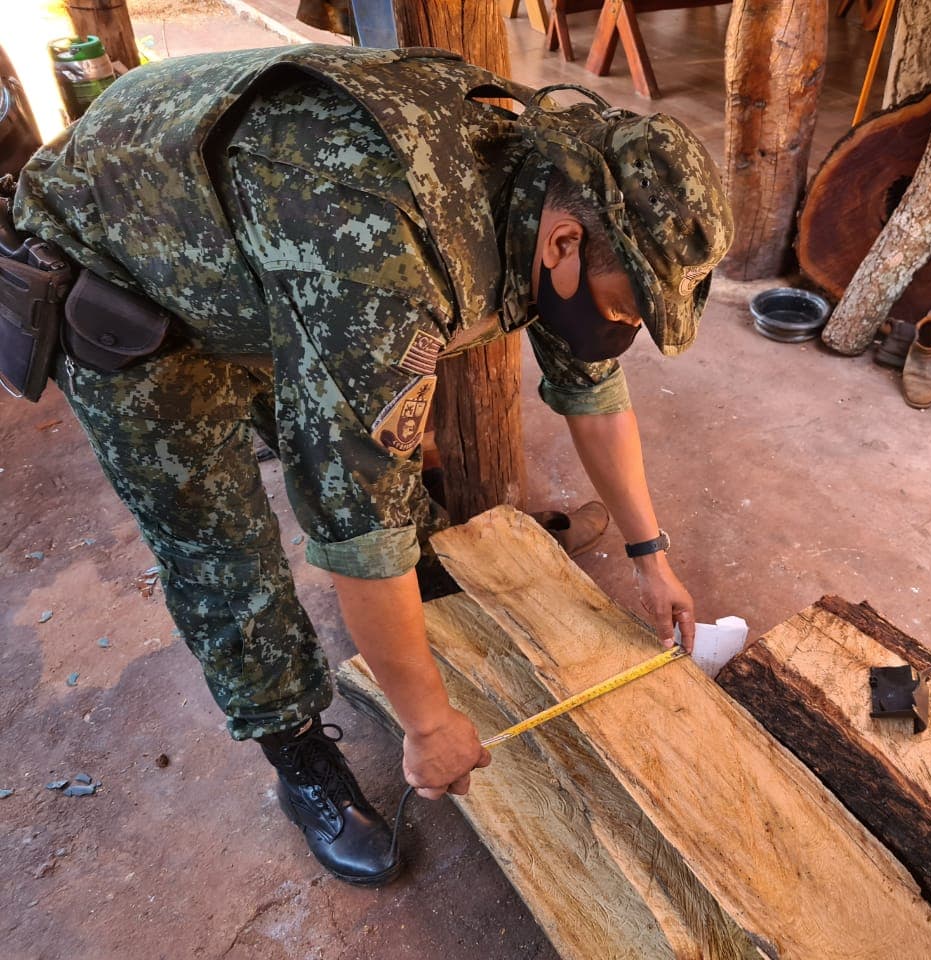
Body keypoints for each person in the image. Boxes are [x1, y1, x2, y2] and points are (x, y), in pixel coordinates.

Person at [13, 44, 732, 886]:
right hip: (122, 264)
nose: (626, 329)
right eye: (627, 308)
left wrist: (652, 556)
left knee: (368, 437)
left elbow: (592, 385)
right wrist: (426, 726)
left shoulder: (566, 182)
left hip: (262, 240)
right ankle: (296, 753)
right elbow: (357, 515)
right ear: (565, 241)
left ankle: (413, 595)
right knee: (220, 542)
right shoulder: (383, 254)